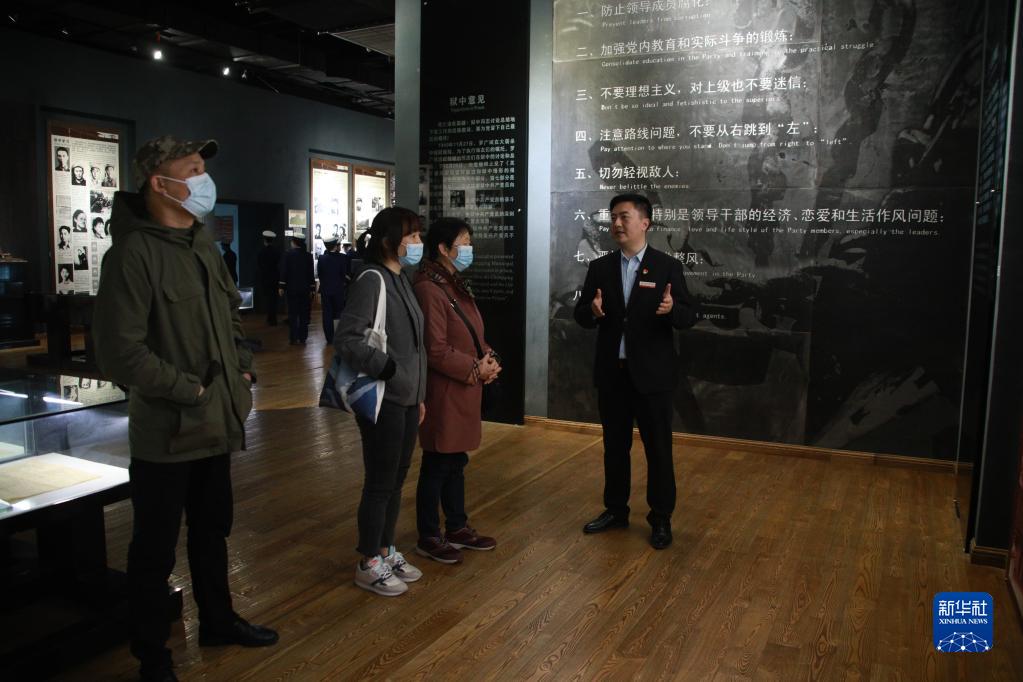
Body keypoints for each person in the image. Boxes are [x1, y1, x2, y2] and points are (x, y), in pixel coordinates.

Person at [92, 135, 277, 682]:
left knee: (212, 530)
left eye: (202, 168)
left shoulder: (202, 245)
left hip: (216, 422)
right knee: (154, 550)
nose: (203, 179)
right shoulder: (132, 254)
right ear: (160, 182)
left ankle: (218, 621)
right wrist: (189, 390)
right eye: (192, 169)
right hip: (168, 433)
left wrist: (242, 371)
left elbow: (231, 317)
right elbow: (119, 352)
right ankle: (153, 657)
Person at [573, 193, 697, 550]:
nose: (616, 223)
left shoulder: (666, 266)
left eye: (624, 217)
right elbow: (581, 314)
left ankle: (661, 517)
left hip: (653, 376)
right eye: (613, 217)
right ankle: (615, 510)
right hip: (613, 374)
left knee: (658, 450)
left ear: (645, 223)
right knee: (615, 448)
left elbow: (689, 315)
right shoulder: (600, 267)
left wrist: (672, 310)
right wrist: (592, 312)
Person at [335, 207, 426, 597]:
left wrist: (419, 395)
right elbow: (348, 338)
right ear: (390, 241)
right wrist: (386, 368)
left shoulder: (401, 277)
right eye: (412, 236)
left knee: (397, 478)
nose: (418, 243)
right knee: (380, 481)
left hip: (407, 398)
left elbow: (415, 346)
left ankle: (387, 549)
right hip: (383, 397)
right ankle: (368, 560)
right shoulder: (372, 279)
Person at [412, 217, 499, 564]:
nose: (469, 249)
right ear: (443, 248)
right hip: (444, 390)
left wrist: (489, 359)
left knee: (456, 461)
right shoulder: (429, 288)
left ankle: (457, 526)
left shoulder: (452, 284)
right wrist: (475, 368)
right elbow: (434, 349)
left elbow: (472, 333)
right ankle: (428, 534)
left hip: (464, 387)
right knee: (438, 462)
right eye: (464, 243)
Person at [278, 232, 314, 345]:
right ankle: (303, 337)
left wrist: (281, 286)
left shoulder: (288, 255)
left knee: (293, 314)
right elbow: (311, 274)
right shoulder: (308, 256)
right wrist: (312, 288)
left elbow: (284, 271)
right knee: (304, 314)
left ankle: (293, 337)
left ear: (293, 242)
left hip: (292, 289)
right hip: (305, 289)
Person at [316, 236, 348, 343]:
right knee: (338, 313)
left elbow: (320, 274)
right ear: (335, 245)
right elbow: (343, 274)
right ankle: (338, 336)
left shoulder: (321, 258)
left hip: (325, 290)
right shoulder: (342, 258)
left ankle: (329, 338)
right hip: (338, 290)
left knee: (327, 314)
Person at [257, 230, 280, 326]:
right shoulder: (276, 251)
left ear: (264, 240)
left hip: (266, 278)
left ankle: (270, 318)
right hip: (275, 278)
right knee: (274, 299)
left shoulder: (262, 252)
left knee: (268, 299)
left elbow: (259, 265)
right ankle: (273, 318)